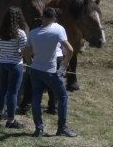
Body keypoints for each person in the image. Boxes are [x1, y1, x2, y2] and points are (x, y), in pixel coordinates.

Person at [21, 7, 76, 137]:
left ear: (42, 17)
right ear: (53, 18)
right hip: (50, 70)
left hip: (35, 69)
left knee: (36, 98)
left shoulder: (33, 33)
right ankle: (61, 127)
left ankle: (38, 128)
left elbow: (26, 52)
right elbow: (70, 49)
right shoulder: (57, 32)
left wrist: (30, 62)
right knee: (62, 96)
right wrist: (66, 62)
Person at [0, 6, 28, 128]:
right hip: (15, 65)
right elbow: (24, 51)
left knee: (2, 89)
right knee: (13, 93)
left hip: (2, 63)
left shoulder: (0, 32)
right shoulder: (20, 33)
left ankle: (0, 113)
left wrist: (3, 57)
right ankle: (11, 120)